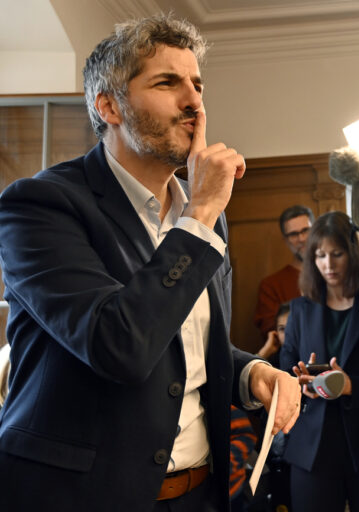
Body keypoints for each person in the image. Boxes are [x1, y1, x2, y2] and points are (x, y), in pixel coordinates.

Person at [0, 14, 300, 512]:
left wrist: (250, 374)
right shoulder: (40, 206)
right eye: (167, 83)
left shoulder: (205, 219)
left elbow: (189, 342)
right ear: (110, 106)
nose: (194, 102)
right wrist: (201, 214)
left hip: (200, 493)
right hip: (79, 497)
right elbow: (117, 345)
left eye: (197, 85)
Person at [280, 211, 359, 512]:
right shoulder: (300, 310)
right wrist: (299, 383)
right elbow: (286, 369)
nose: (328, 265)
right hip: (311, 449)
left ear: (353, 253)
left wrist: (350, 386)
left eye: (337, 254)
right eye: (319, 256)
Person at [254, 205, 314, 338]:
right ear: (286, 240)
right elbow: (272, 334)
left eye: (306, 230)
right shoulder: (271, 285)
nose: (302, 239)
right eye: (293, 234)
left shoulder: (332, 274)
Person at [258, 301, 291, 366]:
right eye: (282, 329)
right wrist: (264, 352)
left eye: (292, 328)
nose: (286, 335)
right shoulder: (273, 362)